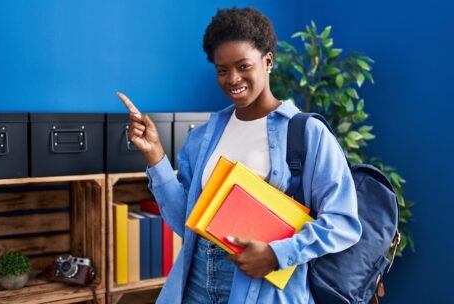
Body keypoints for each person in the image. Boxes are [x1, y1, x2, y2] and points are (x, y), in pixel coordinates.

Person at [118, 6, 362, 304]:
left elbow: (343, 222)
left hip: (264, 287)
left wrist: (275, 254)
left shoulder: (307, 133)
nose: (232, 78)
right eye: (223, 70)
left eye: (243, 66)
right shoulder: (203, 137)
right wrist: (155, 155)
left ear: (268, 61)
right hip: (195, 282)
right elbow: (186, 219)